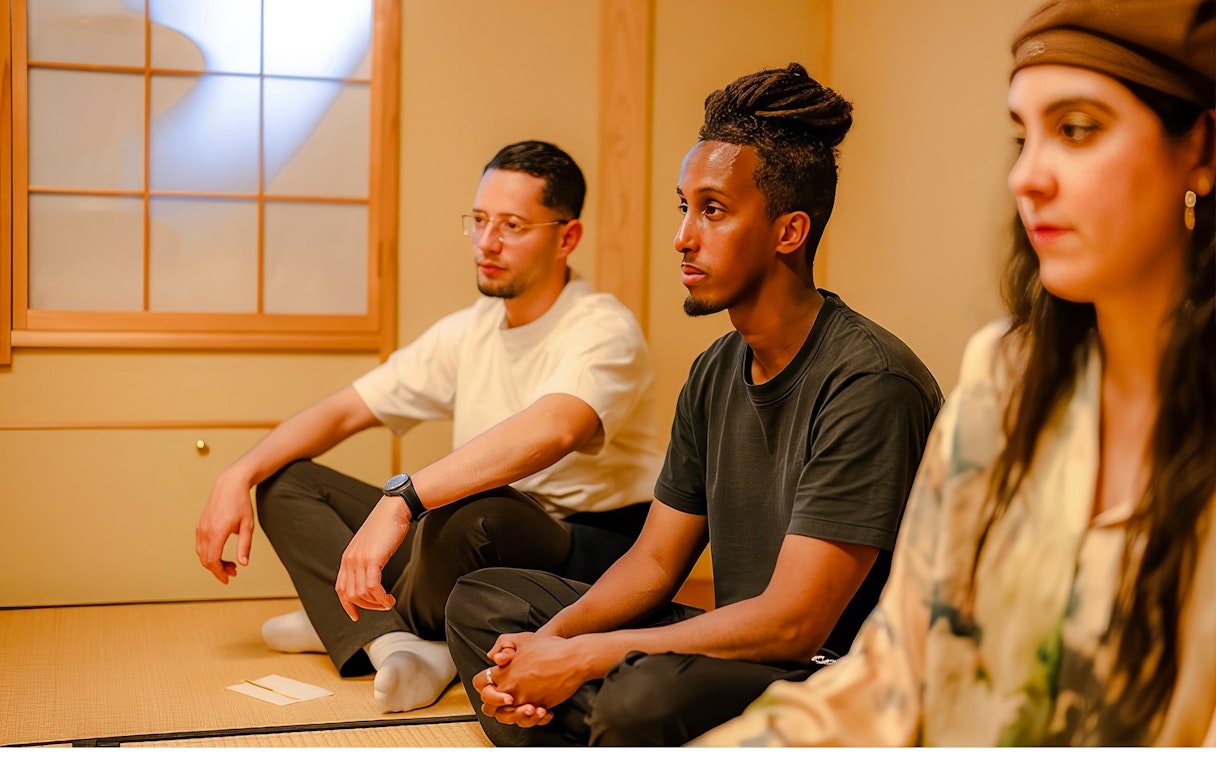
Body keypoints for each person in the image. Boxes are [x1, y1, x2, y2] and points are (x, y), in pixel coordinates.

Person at [694, 0, 1216, 748]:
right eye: (1021, 135)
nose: (1028, 176)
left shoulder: (869, 374)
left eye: (1076, 129)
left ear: (1202, 146)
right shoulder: (1003, 379)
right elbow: (897, 671)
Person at [443, 63, 944, 747]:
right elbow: (652, 563)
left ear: (788, 231)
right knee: (485, 604)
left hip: (832, 674)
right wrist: (544, 643)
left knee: (642, 697)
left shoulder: (870, 382)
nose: (683, 235)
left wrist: (587, 658)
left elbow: (797, 623)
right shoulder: (715, 369)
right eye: (684, 206)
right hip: (740, 647)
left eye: (712, 210)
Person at [194, 140, 664, 714]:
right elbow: (346, 409)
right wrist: (235, 474)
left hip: (580, 547)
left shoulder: (602, 328)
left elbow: (555, 429)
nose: (487, 243)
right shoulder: (470, 330)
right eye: (480, 220)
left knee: (463, 507)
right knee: (286, 480)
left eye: (512, 225)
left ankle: (346, 620)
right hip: (466, 543)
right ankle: (394, 639)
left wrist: (403, 500)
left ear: (566, 237)